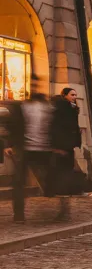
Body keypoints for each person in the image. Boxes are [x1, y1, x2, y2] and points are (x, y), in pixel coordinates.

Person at [2, 86, 54, 223]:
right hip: (31, 149)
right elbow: (14, 126)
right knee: (20, 182)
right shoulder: (37, 108)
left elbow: (13, 125)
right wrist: (10, 145)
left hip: (37, 149)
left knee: (22, 182)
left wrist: (9, 145)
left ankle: (21, 214)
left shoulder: (44, 108)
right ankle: (19, 214)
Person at [49, 87, 83, 218]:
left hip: (66, 147)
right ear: (64, 96)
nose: (74, 97)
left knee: (64, 175)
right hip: (63, 147)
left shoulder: (72, 109)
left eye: (75, 95)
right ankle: (64, 206)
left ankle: (64, 207)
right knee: (63, 175)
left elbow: (73, 127)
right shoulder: (65, 109)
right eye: (72, 94)